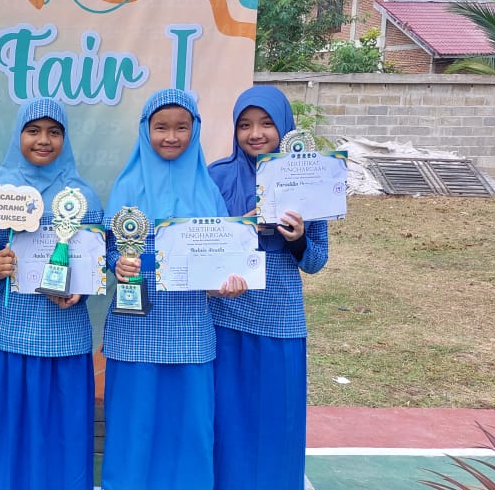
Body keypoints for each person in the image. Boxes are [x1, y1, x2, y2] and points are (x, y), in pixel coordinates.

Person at [100, 88, 245, 490]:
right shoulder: (126, 186)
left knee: (189, 427)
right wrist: (118, 264)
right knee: (133, 424)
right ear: (145, 130)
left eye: (182, 127)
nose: (171, 136)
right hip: (135, 327)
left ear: (195, 130)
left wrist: (225, 285)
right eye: (161, 127)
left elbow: (221, 258)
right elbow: (108, 249)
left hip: (190, 329)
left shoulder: (208, 190)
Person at [0, 97, 102, 490]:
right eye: (33, 131)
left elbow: (93, 259)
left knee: (62, 437)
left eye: (54, 132)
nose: (43, 140)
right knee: (3, 437)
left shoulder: (83, 196)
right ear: (18, 135)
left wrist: (79, 290)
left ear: (65, 138)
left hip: (63, 336)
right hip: (7, 334)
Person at [207, 85, 330, 490]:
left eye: (266, 124)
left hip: (280, 320)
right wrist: (245, 226)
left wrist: (296, 239)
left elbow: (316, 261)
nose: (255, 133)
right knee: (227, 422)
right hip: (224, 317)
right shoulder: (215, 177)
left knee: (278, 421)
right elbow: (201, 251)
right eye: (244, 125)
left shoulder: (308, 178)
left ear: (284, 127)